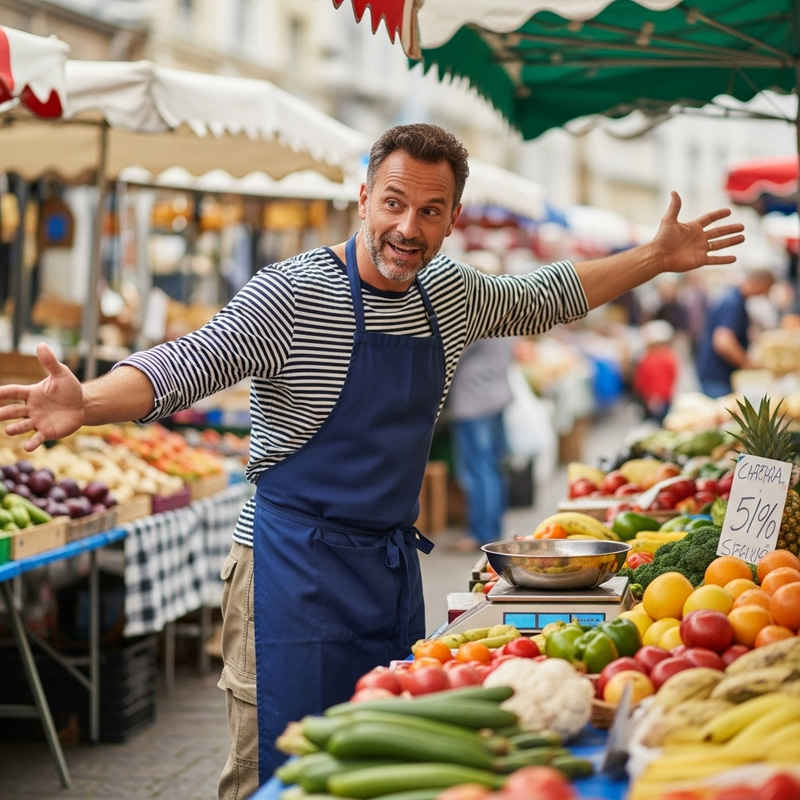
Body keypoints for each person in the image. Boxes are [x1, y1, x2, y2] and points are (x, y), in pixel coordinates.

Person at [0, 124, 744, 798]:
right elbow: (189, 362)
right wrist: (86, 401)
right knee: (280, 772)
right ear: (363, 199)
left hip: (386, 574)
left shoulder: (451, 293)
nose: (407, 228)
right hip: (287, 574)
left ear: (453, 219)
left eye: (430, 211)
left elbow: (545, 296)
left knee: (380, 768)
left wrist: (654, 258)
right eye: (393, 203)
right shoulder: (292, 294)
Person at [446, 336, 516, 551]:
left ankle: (481, 533)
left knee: (478, 470)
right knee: (492, 467)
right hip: (496, 393)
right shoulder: (506, 316)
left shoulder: (473, 317)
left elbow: (452, 350)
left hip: (474, 399)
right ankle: (492, 529)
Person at [695, 267, 774, 398]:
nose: (765, 294)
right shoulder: (733, 303)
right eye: (767, 289)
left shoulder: (733, 297)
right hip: (718, 377)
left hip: (716, 374)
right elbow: (723, 342)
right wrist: (747, 364)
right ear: (760, 283)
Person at [632, 319, 679, 424]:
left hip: (653, 397)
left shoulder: (648, 358)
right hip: (663, 396)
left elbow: (641, 379)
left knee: (655, 422)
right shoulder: (669, 356)